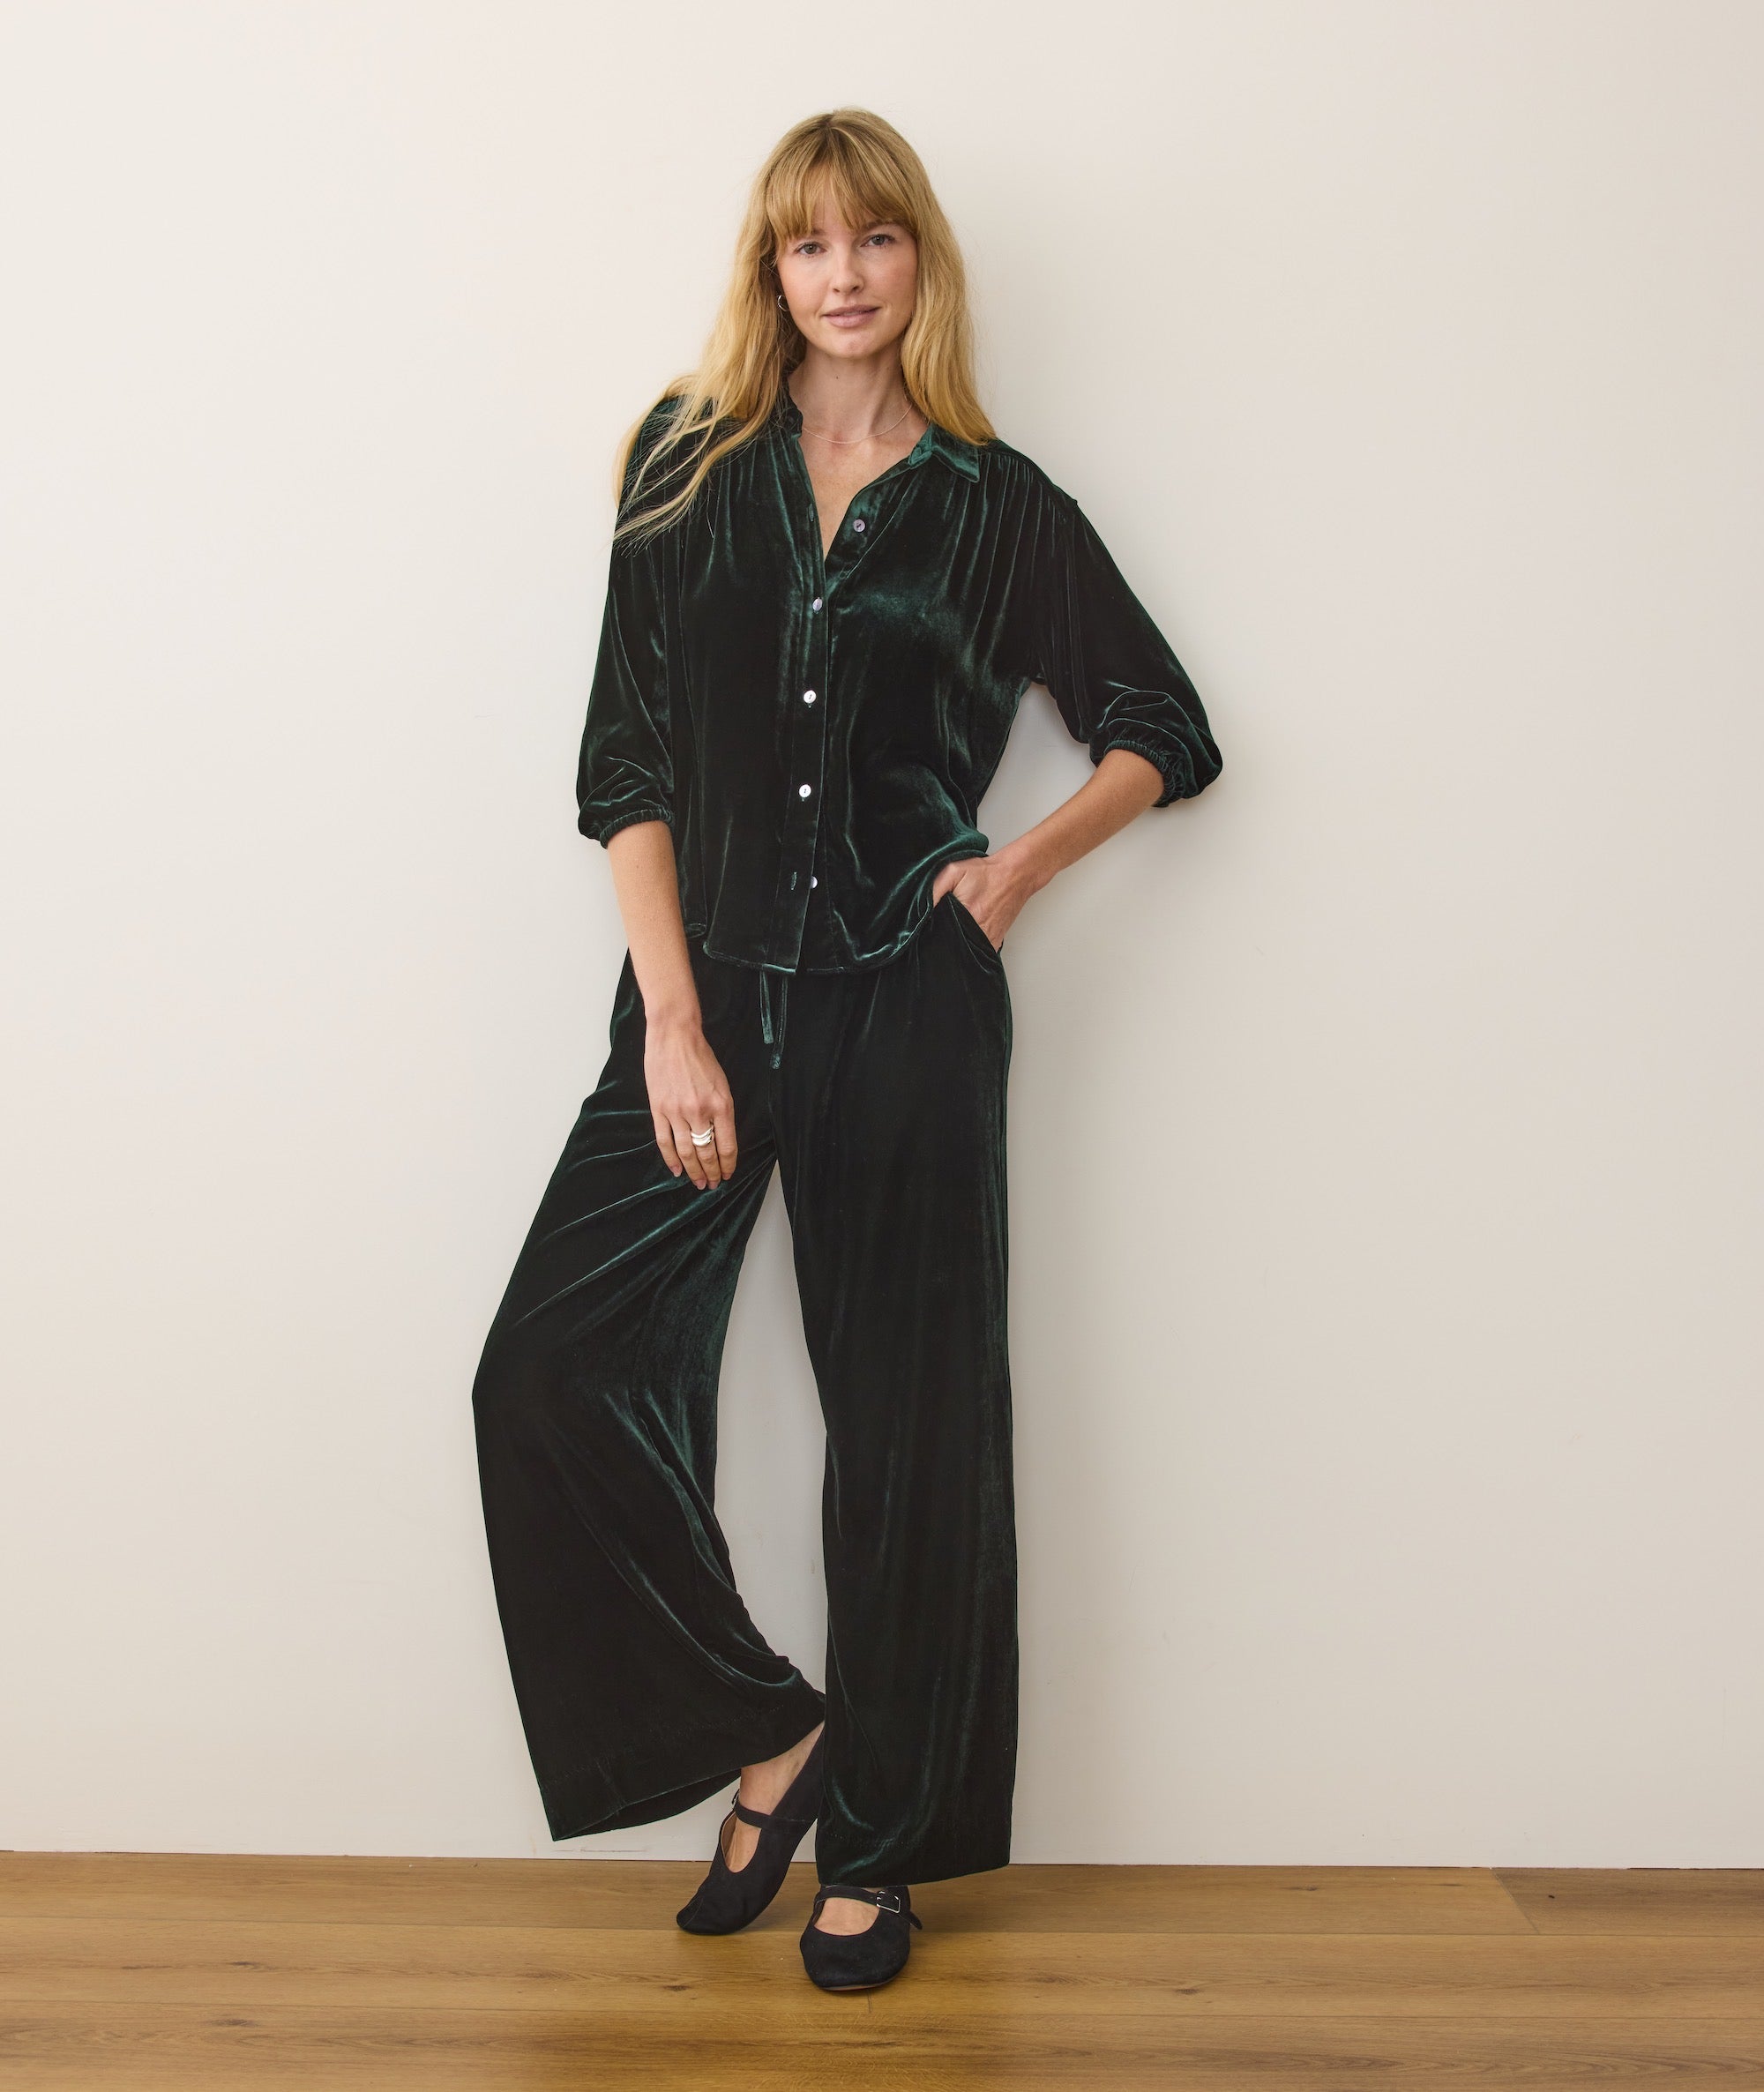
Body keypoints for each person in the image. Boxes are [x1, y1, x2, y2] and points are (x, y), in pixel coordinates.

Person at [471, 106, 1222, 1994]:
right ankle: (775, 1730)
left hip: (907, 999)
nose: (845, 274)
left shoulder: (994, 504)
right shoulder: (686, 463)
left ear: (919, 262)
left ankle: (879, 1856)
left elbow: (1163, 722)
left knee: (909, 1435)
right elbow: (626, 762)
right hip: (707, 998)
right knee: (545, 1375)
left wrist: (1017, 868)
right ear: (772, 268)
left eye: (875, 238)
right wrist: (672, 1019)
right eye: (810, 242)